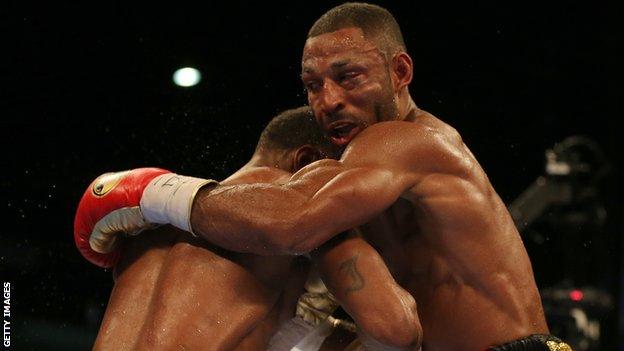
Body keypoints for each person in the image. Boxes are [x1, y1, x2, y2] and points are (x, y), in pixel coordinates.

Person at [79, 3, 573, 350]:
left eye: (349, 75)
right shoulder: (363, 186)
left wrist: (153, 192)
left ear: (400, 71)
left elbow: (293, 222)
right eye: (312, 85)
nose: (328, 99)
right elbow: (395, 326)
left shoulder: (406, 141)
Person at [75, 106, 421, 350]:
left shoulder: (148, 228)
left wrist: (308, 330)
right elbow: (396, 332)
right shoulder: (303, 216)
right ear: (307, 161)